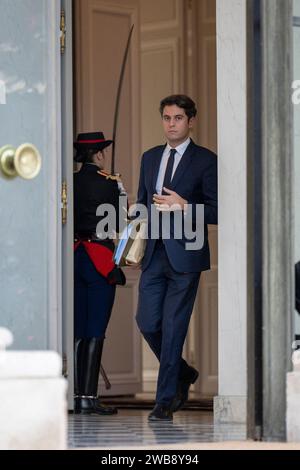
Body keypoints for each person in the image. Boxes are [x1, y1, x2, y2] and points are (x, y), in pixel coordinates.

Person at [130, 95, 218, 421]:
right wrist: (135, 245)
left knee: (173, 326)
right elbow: (142, 204)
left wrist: (184, 205)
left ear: (190, 121)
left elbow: (217, 209)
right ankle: (182, 373)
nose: (171, 124)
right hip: (154, 254)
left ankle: (164, 401)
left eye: (178, 118)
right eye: (167, 117)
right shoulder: (150, 158)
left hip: (186, 257)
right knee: (147, 322)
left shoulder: (206, 160)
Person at [73, 131, 126, 415]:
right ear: (99, 154)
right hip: (99, 259)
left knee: (79, 327)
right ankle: (89, 397)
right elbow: (119, 222)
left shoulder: (70, 180)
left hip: (75, 257)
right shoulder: (110, 182)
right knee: (95, 328)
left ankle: (76, 395)